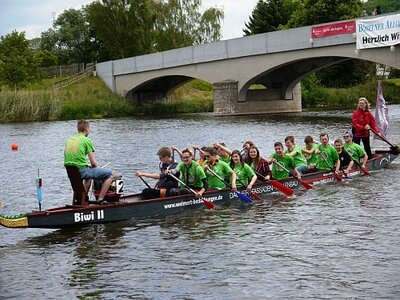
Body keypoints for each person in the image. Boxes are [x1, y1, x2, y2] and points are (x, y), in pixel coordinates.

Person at [64, 119, 115, 204]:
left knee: (88, 176)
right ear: (86, 129)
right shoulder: (86, 140)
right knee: (110, 174)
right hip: (81, 171)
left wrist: (87, 166)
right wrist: (94, 166)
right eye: (90, 129)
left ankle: (83, 200)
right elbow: (94, 163)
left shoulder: (69, 140)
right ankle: (100, 199)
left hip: (71, 171)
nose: (90, 131)